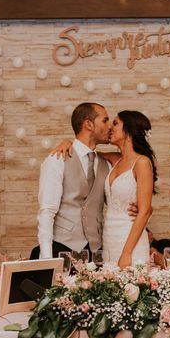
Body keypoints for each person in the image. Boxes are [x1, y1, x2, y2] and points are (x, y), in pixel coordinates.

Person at [36, 102, 113, 260]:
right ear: (89, 124)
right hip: (62, 248)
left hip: (97, 251)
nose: (110, 126)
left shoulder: (107, 164)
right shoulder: (57, 159)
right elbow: (46, 212)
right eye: (105, 120)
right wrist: (47, 260)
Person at [102, 110, 156, 267]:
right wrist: (67, 143)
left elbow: (144, 210)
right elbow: (85, 152)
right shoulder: (114, 160)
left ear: (129, 131)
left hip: (130, 239)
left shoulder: (142, 163)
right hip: (109, 236)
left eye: (115, 123)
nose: (110, 127)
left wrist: (126, 253)